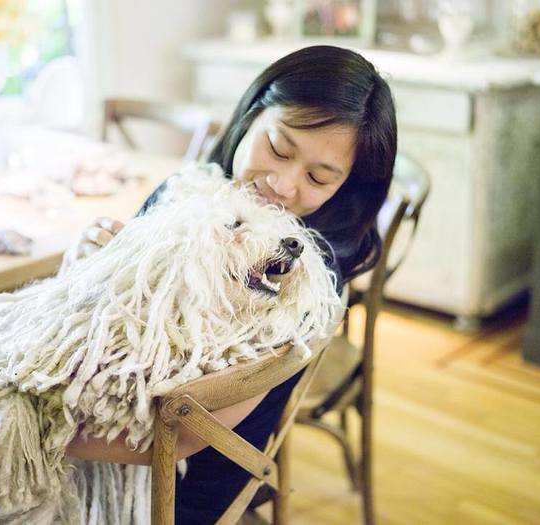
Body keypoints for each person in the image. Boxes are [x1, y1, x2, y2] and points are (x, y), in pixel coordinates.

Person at [65, 44, 397, 523]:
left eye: (318, 178)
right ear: (250, 114)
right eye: (279, 149)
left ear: (346, 187)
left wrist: (44, 428)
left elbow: (186, 434)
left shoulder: (298, 276)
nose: (283, 186)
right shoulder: (188, 191)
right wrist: (93, 264)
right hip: (114, 435)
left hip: (177, 484)